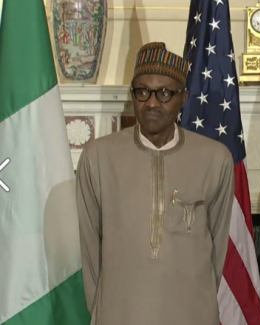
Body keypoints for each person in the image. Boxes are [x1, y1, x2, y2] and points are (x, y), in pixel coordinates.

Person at [75, 42, 234, 325]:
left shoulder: (215, 158)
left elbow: (217, 248)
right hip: (119, 314)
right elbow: (88, 249)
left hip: (192, 314)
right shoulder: (97, 157)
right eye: (142, 92)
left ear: (183, 98)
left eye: (164, 93)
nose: (151, 102)